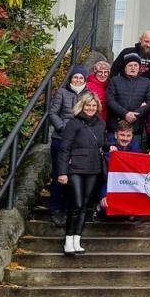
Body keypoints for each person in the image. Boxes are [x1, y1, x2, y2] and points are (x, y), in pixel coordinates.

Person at [55, 92, 108, 256]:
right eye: (88, 105)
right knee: (76, 204)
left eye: (94, 106)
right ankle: (68, 240)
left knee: (85, 204)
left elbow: (100, 145)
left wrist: (110, 148)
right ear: (82, 106)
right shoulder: (74, 123)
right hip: (76, 167)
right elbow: (65, 148)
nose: (91, 108)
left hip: (93, 167)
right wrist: (62, 172)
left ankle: (77, 239)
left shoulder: (101, 124)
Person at [44, 65, 89, 225]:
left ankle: (71, 208)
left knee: (74, 175)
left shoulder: (88, 94)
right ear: (71, 78)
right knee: (59, 174)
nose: (77, 80)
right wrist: (63, 127)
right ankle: (56, 208)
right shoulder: (62, 92)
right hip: (61, 138)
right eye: (75, 77)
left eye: (81, 78)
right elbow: (53, 113)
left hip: (79, 141)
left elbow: (90, 114)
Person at [97, 119, 140, 220]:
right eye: (122, 135)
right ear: (116, 135)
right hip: (111, 186)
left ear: (132, 136)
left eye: (128, 135)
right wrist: (103, 195)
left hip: (130, 187)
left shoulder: (137, 153)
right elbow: (104, 178)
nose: (125, 138)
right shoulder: (108, 152)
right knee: (106, 206)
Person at [106, 53, 150, 141]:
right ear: (125, 67)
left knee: (133, 154)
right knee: (112, 154)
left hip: (135, 128)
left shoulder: (146, 82)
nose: (133, 68)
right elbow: (110, 100)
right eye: (130, 65)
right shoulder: (115, 80)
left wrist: (136, 114)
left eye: (136, 65)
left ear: (139, 67)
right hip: (116, 128)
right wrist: (125, 114)